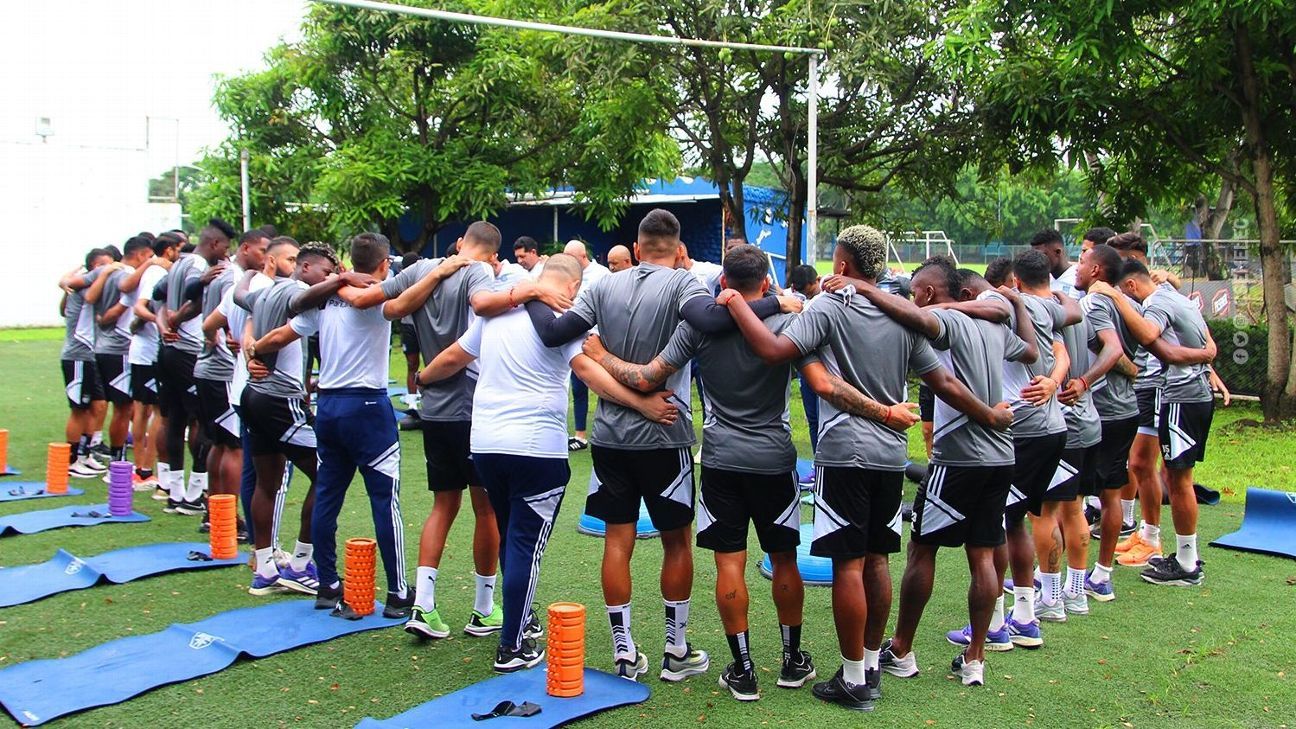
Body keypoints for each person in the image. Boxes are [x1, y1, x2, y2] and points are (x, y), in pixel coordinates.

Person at [725, 233, 1013, 708]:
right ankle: (873, 664)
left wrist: (736, 304)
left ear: (841, 262)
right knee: (878, 559)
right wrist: (989, 415)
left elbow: (775, 351)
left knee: (850, 565)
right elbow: (940, 381)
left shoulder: (829, 306)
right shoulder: (901, 315)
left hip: (845, 453)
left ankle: (855, 679)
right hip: (890, 455)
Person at [521, 209, 797, 682]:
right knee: (676, 541)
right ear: (679, 246)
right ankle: (676, 650)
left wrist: (524, 293)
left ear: (637, 243)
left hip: (609, 435)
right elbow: (714, 321)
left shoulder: (603, 284)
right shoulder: (683, 285)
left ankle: (624, 653)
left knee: (617, 540)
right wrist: (777, 304)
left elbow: (552, 334)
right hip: (666, 432)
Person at [417, 253, 679, 673]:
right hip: (534, 448)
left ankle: (517, 618)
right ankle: (512, 645)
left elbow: (454, 356)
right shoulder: (567, 317)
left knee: (510, 535)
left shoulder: (499, 310)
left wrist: (423, 377)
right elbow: (590, 374)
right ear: (574, 287)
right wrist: (642, 404)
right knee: (524, 545)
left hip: (485, 445)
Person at [585, 245, 819, 700]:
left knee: (728, 562)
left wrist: (601, 356)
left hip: (720, 460)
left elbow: (648, 377)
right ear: (767, 284)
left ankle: (743, 669)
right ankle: (792, 662)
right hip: (774, 459)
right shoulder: (789, 322)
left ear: (723, 284)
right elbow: (824, 379)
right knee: (785, 558)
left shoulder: (698, 330)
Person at [337, 224, 560, 633]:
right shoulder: (479, 272)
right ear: (494, 256)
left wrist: (340, 277)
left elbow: (382, 306)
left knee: (443, 506)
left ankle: (423, 605)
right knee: (486, 510)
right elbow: (481, 304)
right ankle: (484, 608)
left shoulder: (421, 267)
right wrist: (529, 291)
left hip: (435, 409)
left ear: (460, 243)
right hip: (474, 409)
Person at [860, 256, 1021, 688]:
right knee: (982, 554)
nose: (913, 299)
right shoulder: (993, 322)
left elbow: (914, 318)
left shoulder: (944, 321)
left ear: (929, 293)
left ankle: (903, 649)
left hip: (959, 459)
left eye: (916, 291)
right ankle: (975, 659)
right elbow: (1025, 341)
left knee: (922, 550)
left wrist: (865, 288)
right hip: (1000, 457)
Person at [1087, 258, 1218, 586]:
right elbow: (1197, 342)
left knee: (1179, 479)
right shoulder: (1176, 297)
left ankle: (1188, 565)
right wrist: (1206, 354)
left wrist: (1115, 299)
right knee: (1174, 476)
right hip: (1190, 394)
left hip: (1184, 395)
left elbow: (1152, 339)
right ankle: (1183, 555)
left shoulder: (1158, 301)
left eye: (1123, 291)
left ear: (1131, 285)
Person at [236, 242, 356, 595]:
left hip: (254, 396)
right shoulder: (299, 291)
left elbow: (241, 295)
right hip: (278, 400)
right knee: (329, 472)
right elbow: (305, 301)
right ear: (305, 269)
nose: (332, 277)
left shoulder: (264, 292)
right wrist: (343, 280)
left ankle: (265, 568)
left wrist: (246, 273)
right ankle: (302, 564)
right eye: (327, 271)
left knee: (266, 482)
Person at [1068, 244, 1143, 600]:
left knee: (1075, 497)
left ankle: (1072, 580)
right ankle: (1101, 575)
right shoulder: (1127, 305)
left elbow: (1113, 351)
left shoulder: (1097, 303)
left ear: (1096, 270)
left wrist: (1084, 381)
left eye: (1082, 261)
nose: (1076, 266)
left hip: (1104, 412)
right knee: (1110, 494)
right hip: (1125, 410)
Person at [215, 236, 299, 549]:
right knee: (274, 476)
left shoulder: (248, 286)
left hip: (244, 391)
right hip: (268, 392)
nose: (295, 266)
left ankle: (257, 546)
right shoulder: (277, 291)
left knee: (256, 470)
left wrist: (231, 342)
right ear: (272, 259)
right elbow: (269, 335)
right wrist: (253, 354)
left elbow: (213, 323)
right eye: (290, 259)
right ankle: (268, 547)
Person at [156, 219, 234, 515]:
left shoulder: (178, 262)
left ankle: (176, 491)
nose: (226, 253)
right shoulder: (197, 266)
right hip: (189, 350)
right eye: (226, 246)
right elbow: (195, 299)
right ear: (215, 244)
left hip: (170, 351)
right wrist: (175, 322)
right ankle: (193, 493)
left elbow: (158, 297)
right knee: (203, 423)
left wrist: (166, 322)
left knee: (175, 420)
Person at [194, 229, 270, 533]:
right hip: (226, 376)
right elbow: (211, 325)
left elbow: (208, 324)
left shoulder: (229, 278)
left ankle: (216, 513)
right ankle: (227, 518)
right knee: (234, 448)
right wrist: (226, 347)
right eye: (264, 251)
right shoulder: (240, 282)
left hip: (212, 371)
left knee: (221, 444)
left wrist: (219, 338)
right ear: (247, 248)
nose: (265, 257)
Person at [88, 237, 155, 471]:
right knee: (125, 407)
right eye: (149, 257)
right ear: (141, 255)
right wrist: (105, 318)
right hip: (119, 348)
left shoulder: (107, 272)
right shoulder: (127, 276)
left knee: (126, 407)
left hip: (106, 347)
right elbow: (120, 306)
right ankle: (118, 461)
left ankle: (115, 456)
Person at [126, 234, 181, 491]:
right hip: (148, 351)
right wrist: (162, 324)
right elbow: (139, 307)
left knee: (146, 409)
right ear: (169, 251)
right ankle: (145, 470)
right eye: (179, 250)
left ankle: (142, 469)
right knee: (155, 410)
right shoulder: (156, 271)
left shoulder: (152, 269)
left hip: (144, 350)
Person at [58, 249, 115, 478]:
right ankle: (71, 461)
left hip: (88, 355)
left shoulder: (82, 286)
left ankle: (85, 454)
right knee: (79, 409)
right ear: (92, 267)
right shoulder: (84, 289)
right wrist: (105, 271)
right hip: (76, 356)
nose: (108, 269)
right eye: (102, 265)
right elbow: (86, 296)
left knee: (99, 404)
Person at [562, 239, 611, 451]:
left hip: (600, 342)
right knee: (578, 386)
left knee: (605, 386)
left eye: (570, 258)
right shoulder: (567, 276)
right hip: (575, 341)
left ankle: (608, 431)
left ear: (583, 257)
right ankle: (580, 435)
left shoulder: (602, 276)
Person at [785, 264, 822, 457]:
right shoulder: (799, 299)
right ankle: (818, 465)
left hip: (826, 369)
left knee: (825, 418)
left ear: (816, 281)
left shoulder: (829, 298)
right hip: (806, 369)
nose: (805, 294)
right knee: (813, 419)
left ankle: (826, 464)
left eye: (808, 290)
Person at [397, 252, 424, 428]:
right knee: (412, 365)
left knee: (433, 362)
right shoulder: (402, 281)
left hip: (425, 326)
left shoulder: (427, 279)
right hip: (408, 326)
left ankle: (430, 402)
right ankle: (413, 402)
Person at [1029, 228, 1082, 299]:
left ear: (1058, 252)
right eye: (1034, 255)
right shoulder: (1039, 281)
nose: (1037, 260)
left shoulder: (1079, 278)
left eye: (1042, 255)